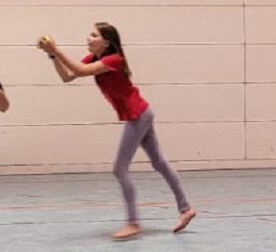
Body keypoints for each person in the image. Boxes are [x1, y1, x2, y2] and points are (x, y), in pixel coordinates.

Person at [38, 24, 196, 240]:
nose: (89, 38)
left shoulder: (114, 60)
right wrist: (52, 56)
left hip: (138, 115)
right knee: (158, 162)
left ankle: (133, 223)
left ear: (107, 42)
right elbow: (68, 76)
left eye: (94, 35)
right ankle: (186, 209)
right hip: (141, 112)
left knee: (119, 168)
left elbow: (80, 71)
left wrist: (56, 50)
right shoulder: (94, 58)